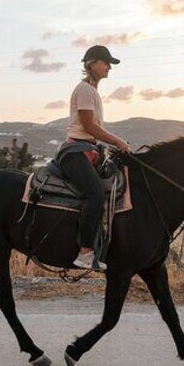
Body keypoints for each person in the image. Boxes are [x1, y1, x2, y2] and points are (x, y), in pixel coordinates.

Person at [58, 45, 130, 271]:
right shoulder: (85, 90)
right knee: (95, 193)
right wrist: (117, 141)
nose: (109, 67)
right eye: (105, 62)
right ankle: (85, 252)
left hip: (89, 150)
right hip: (75, 153)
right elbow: (89, 126)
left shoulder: (93, 92)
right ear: (92, 64)